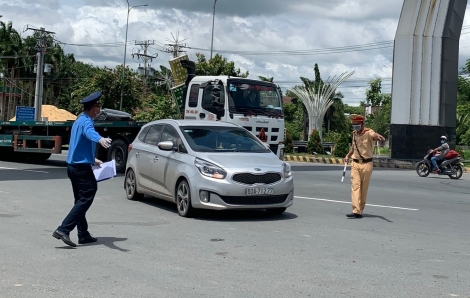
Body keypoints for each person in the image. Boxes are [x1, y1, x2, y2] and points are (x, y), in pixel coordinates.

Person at [52, 91, 112, 247]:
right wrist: (100, 139)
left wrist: (93, 159)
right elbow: (90, 133)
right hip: (80, 169)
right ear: (93, 108)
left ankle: (83, 234)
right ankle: (63, 229)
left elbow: (78, 145)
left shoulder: (78, 121)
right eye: (98, 107)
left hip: (73, 167)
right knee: (86, 197)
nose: (99, 110)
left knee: (80, 200)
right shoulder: (87, 122)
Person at [344, 114, 385, 219]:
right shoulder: (354, 134)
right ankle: (356, 210)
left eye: (357, 124)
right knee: (355, 186)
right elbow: (353, 148)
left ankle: (360, 210)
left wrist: (378, 136)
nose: (355, 126)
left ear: (362, 124)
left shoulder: (368, 132)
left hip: (367, 164)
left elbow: (374, 135)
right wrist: (347, 155)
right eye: (353, 124)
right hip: (355, 163)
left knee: (363, 188)